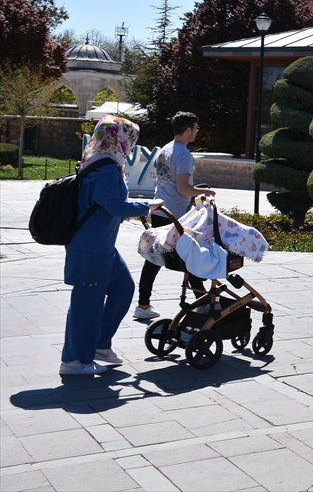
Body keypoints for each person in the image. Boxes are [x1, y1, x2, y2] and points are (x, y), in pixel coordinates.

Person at [61, 116, 163, 374]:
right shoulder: (105, 168)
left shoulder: (102, 162)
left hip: (102, 245)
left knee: (123, 289)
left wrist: (131, 209)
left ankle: (99, 344)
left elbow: (107, 205)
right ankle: (74, 361)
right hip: (91, 247)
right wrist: (146, 206)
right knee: (86, 305)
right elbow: (114, 206)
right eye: (130, 138)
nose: (131, 144)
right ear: (118, 138)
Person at [134, 111, 210, 321]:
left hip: (160, 211)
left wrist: (195, 189)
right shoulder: (183, 155)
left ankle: (143, 304)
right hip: (175, 216)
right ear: (188, 130)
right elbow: (183, 188)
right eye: (196, 128)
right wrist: (205, 192)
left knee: (154, 259)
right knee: (190, 256)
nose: (196, 132)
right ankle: (203, 303)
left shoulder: (165, 149)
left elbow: (170, 182)